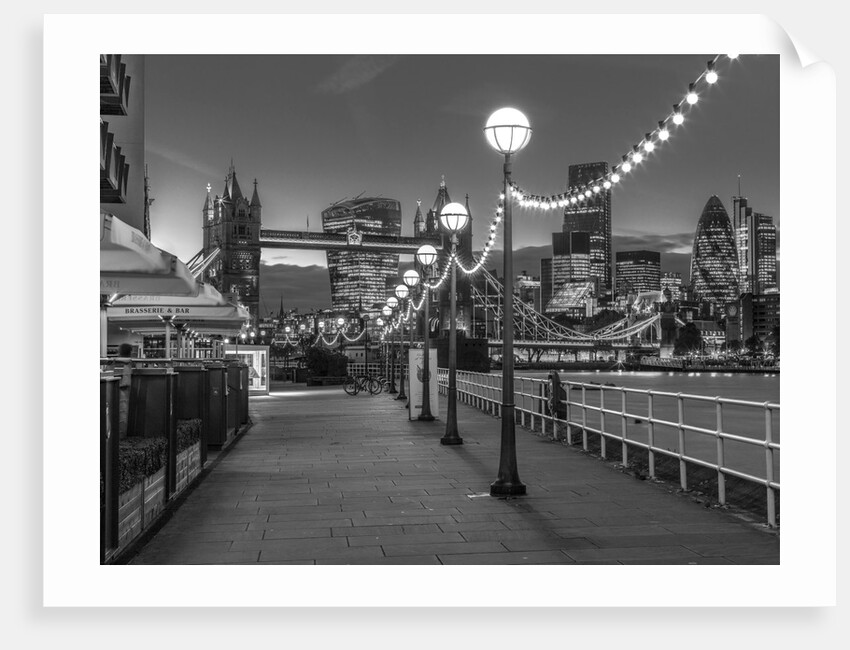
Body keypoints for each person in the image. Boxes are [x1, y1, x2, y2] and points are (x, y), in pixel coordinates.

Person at [117, 343, 133, 437]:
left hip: (119, 386)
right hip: (125, 386)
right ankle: (122, 434)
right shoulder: (130, 362)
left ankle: (120, 434)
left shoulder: (117, 362)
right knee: (123, 411)